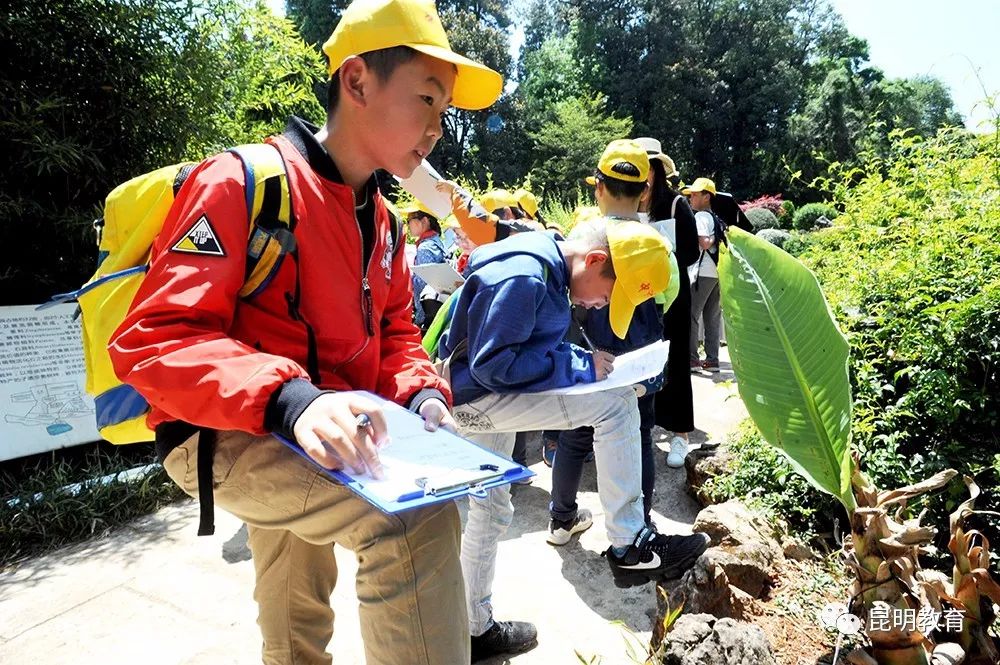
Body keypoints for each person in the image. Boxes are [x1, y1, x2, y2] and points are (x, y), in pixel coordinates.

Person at [108, 1, 503, 663]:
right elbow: (154, 338)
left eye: (444, 113)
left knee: (294, 624)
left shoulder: (384, 223)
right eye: (427, 100)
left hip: (323, 432)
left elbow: (397, 332)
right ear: (356, 82)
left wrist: (421, 394)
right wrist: (296, 401)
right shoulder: (241, 183)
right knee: (412, 519)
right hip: (226, 433)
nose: (437, 129)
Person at [437, 215, 709, 660]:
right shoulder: (524, 275)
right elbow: (494, 365)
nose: (602, 306)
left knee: (490, 510)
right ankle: (630, 544)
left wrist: (582, 357)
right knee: (616, 402)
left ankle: (473, 627)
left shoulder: (545, 266)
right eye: (608, 295)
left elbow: (527, 344)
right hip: (476, 397)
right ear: (595, 259)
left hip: (472, 394)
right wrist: (580, 368)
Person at [550, 140, 671, 533]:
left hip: (590, 351)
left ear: (598, 187)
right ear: (644, 191)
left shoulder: (583, 234)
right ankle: (639, 525)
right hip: (640, 361)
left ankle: (562, 519)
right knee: (638, 436)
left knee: (575, 436)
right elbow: (669, 298)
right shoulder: (655, 243)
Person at [636, 137, 699, 468]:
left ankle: (679, 435)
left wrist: (660, 256)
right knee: (642, 360)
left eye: (646, 166)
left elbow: (690, 251)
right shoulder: (629, 205)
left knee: (674, 361)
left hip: (672, 295)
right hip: (640, 295)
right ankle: (644, 429)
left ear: (657, 170)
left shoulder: (676, 204)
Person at [683, 177, 725, 373]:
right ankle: (712, 360)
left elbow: (705, 243)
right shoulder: (715, 218)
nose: (691, 197)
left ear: (707, 196)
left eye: (695, 194)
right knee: (712, 317)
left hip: (703, 272)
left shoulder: (700, 217)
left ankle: (692, 359)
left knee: (691, 315)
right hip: (717, 273)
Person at [403, 200, 448, 332]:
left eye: (410, 219)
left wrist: (420, 318)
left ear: (425, 221)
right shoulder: (437, 241)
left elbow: (423, 283)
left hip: (427, 315)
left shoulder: (425, 248)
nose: (408, 224)